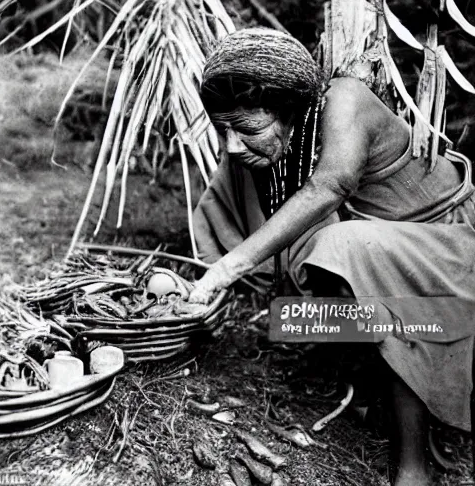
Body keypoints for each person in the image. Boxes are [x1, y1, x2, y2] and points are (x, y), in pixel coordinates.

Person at [187, 28, 475, 486]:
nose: (231, 145)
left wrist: (225, 270)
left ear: (289, 109)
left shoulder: (344, 100)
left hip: (449, 252)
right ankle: (374, 382)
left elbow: (331, 186)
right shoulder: (278, 134)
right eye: (223, 129)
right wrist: (200, 280)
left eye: (246, 130)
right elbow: (236, 193)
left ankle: (412, 466)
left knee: (342, 248)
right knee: (295, 314)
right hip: (390, 250)